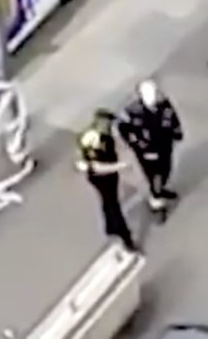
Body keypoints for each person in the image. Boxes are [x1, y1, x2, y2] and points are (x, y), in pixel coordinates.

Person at [118, 79, 183, 221]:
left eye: (154, 92)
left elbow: (173, 117)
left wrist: (177, 132)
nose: (152, 96)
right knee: (156, 176)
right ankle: (156, 203)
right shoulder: (133, 111)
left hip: (165, 146)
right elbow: (123, 128)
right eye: (148, 93)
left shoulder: (164, 105)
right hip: (147, 151)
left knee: (166, 170)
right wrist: (137, 143)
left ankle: (160, 189)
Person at [76, 109, 136, 252]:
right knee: (113, 205)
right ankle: (125, 236)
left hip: (104, 176)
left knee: (107, 201)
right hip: (102, 177)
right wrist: (120, 166)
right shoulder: (96, 140)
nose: (110, 126)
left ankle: (110, 226)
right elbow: (97, 167)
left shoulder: (95, 135)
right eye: (108, 123)